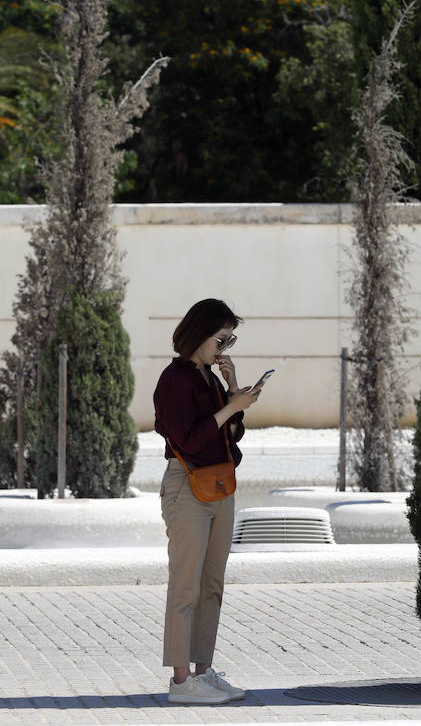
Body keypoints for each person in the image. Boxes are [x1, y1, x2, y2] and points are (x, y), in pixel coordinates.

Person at [154, 298, 262, 705]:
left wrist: (234, 392)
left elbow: (231, 434)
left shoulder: (209, 377)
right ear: (199, 334)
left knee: (212, 584)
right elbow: (190, 438)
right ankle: (181, 682)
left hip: (219, 484)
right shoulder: (174, 380)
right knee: (186, 585)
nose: (225, 347)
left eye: (229, 339)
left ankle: (203, 669)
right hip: (187, 486)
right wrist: (230, 407)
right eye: (222, 338)